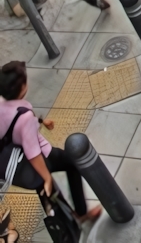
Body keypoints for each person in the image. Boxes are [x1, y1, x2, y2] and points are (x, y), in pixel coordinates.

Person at [0, 60, 98, 222]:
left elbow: (14, 122)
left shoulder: (2, 105)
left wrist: (40, 122)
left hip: (16, 158)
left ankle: (66, 220)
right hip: (39, 156)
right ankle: (80, 214)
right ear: (23, 88)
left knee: (45, 192)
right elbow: (33, 153)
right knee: (70, 164)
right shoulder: (24, 117)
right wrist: (46, 176)